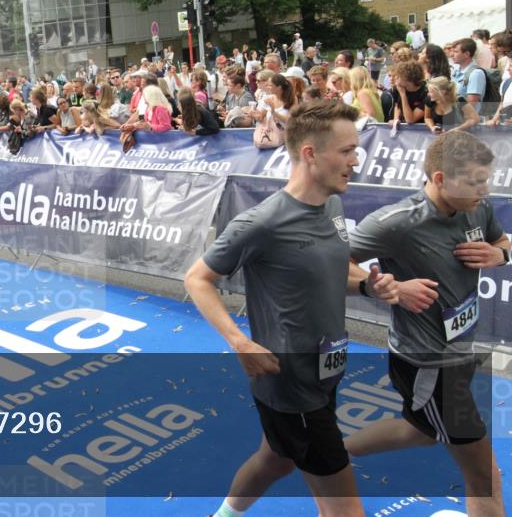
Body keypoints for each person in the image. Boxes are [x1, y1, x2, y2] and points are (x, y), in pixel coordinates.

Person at [184, 100, 398, 517]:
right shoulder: (262, 223)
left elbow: (335, 272)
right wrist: (239, 342)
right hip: (291, 386)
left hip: (326, 373)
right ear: (310, 154)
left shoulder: (332, 206)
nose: (356, 161)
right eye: (347, 151)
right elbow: (197, 278)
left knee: (276, 459)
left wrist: (369, 287)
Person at [347, 131, 509, 516]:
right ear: (440, 179)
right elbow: (330, 264)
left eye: (486, 179)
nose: (484, 190)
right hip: (428, 364)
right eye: (474, 182)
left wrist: (499, 255)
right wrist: (388, 288)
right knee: (485, 476)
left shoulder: (477, 208)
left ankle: (328, 454)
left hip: (457, 353)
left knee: (419, 431)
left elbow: (504, 241)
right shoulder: (397, 222)